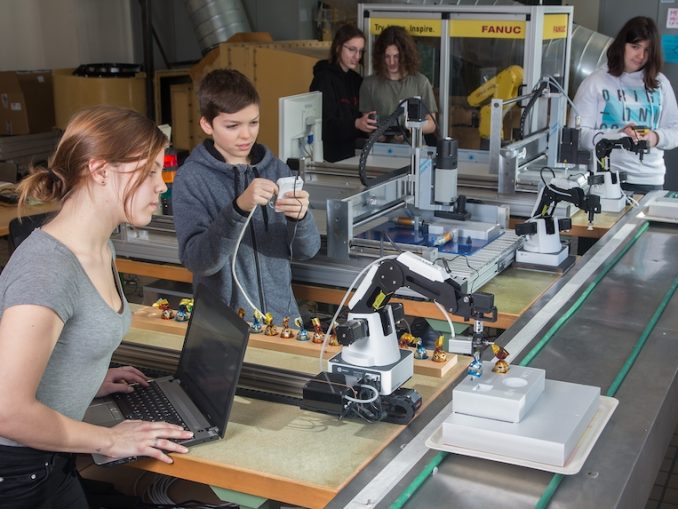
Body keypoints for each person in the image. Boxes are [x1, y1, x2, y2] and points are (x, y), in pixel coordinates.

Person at [0, 106, 193, 509]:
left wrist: (84, 378)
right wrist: (112, 438)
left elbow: (60, 347)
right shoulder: (48, 270)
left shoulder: (100, 246)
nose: (162, 184)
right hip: (18, 475)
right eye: (151, 170)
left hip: (51, 459)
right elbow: (8, 412)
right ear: (101, 170)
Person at [172, 69, 321, 325]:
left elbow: (306, 251)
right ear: (207, 124)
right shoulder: (191, 178)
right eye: (232, 126)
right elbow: (199, 262)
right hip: (224, 326)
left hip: (283, 321)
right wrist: (238, 209)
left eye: (253, 122)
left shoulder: (276, 169)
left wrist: (301, 219)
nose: (246, 135)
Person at [571, 16, 678, 193]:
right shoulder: (595, 82)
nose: (641, 56)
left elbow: (675, 130)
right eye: (635, 47)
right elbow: (577, 136)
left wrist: (654, 137)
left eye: (647, 50)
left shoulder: (660, 83)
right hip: (606, 179)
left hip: (650, 181)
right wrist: (617, 136)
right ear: (622, 45)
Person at [310, 24, 377, 162]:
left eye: (360, 51)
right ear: (338, 47)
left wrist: (372, 128)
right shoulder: (323, 79)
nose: (357, 56)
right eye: (352, 50)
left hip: (351, 155)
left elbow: (359, 119)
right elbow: (325, 126)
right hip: (328, 158)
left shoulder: (356, 80)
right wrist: (356, 124)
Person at [359, 25, 438, 141]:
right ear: (380, 57)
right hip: (380, 151)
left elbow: (432, 124)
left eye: (396, 56)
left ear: (406, 55)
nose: (392, 62)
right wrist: (379, 134)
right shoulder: (369, 84)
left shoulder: (421, 82)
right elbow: (367, 123)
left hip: (413, 151)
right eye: (387, 57)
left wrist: (408, 130)